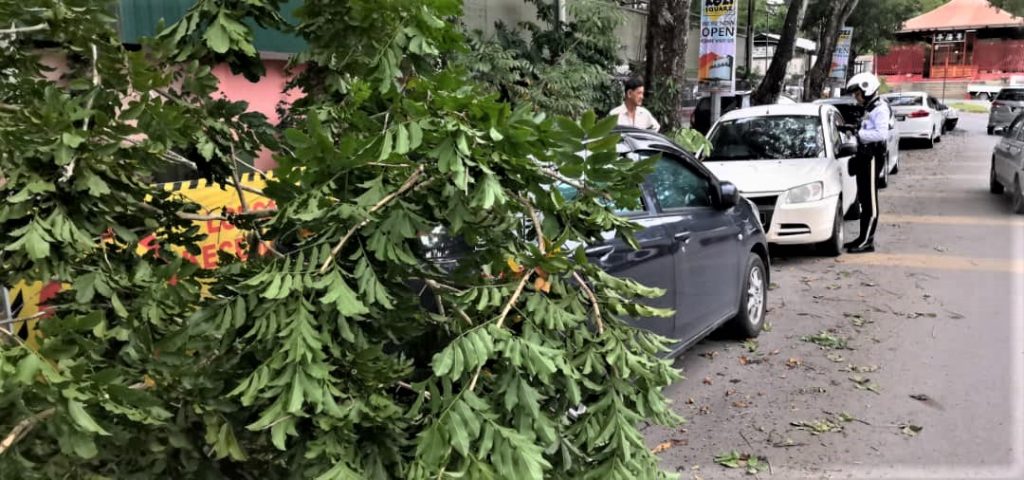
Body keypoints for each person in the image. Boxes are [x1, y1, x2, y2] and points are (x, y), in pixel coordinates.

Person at [843, 72, 890, 254]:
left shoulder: (880, 108)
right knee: (863, 199)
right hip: (864, 155)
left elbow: (881, 134)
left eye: (858, 94)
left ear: (867, 90)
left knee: (870, 201)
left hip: (872, 156)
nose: (856, 97)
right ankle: (862, 237)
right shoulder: (870, 108)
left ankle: (867, 242)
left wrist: (858, 133)